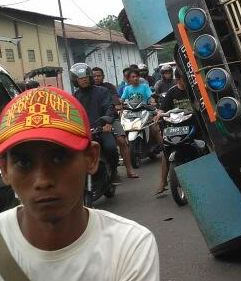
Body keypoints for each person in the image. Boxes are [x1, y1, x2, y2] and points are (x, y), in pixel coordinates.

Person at [0, 87, 160, 280]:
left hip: (101, 128)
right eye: (24, 163)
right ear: (5, 170)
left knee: (113, 145)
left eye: (59, 159)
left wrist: (108, 121)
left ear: (91, 158)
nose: (42, 181)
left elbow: (110, 111)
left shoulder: (129, 245)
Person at [69, 64, 119, 180]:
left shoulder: (102, 91)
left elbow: (109, 107)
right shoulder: (74, 97)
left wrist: (107, 122)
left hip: (102, 128)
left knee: (111, 147)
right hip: (85, 132)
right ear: (75, 80)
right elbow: (72, 114)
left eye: (86, 77)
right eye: (81, 78)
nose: (84, 80)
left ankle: (113, 171)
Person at [92, 67, 138, 179]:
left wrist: (114, 110)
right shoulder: (84, 92)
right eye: (94, 76)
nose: (96, 78)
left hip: (111, 119)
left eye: (99, 75)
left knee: (121, 141)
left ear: (103, 76)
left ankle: (129, 169)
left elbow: (114, 103)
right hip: (94, 122)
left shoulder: (109, 88)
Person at [154, 68, 193, 196]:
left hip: (193, 124)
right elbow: (162, 108)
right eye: (182, 79)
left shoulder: (193, 90)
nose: (185, 81)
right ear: (177, 79)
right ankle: (162, 181)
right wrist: (159, 115)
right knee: (167, 151)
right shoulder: (171, 92)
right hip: (176, 127)